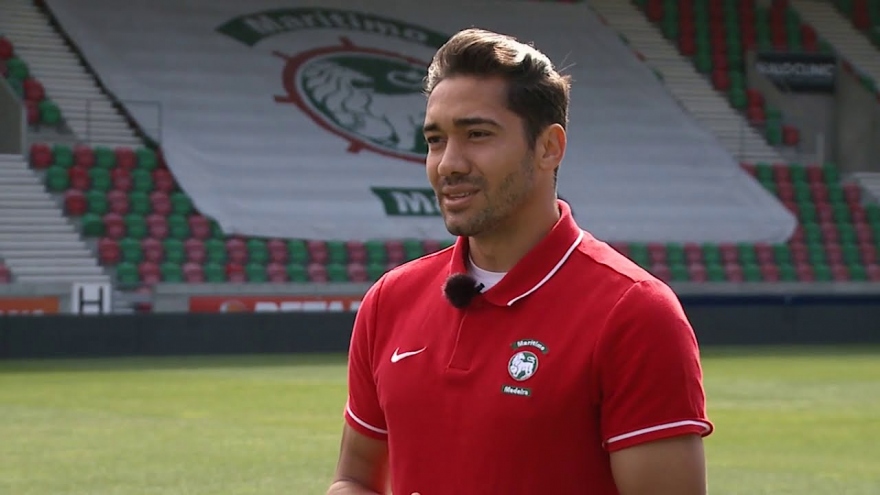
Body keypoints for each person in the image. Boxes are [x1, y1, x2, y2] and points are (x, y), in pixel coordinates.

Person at [326, 27, 713, 495]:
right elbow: (354, 479)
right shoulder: (391, 300)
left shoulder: (634, 312)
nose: (449, 163)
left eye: (477, 135)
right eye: (435, 140)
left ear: (549, 147)